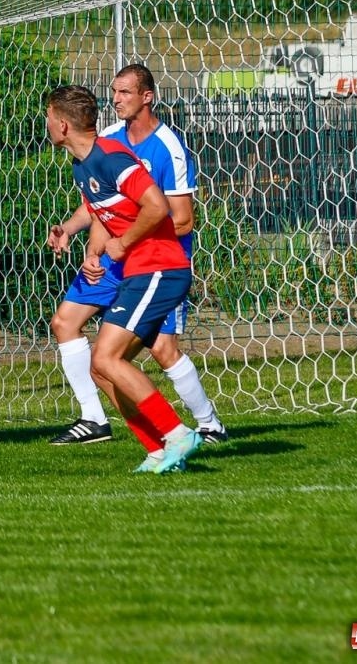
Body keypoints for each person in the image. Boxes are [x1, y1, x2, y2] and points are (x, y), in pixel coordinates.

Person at [45, 64, 227, 445]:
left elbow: (180, 219)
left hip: (157, 260)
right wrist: (81, 237)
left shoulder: (167, 149)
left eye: (125, 92)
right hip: (119, 258)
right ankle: (103, 422)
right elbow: (102, 203)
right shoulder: (104, 142)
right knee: (69, 325)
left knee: (159, 349)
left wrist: (123, 241)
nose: (116, 99)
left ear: (147, 97)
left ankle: (204, 425)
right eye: (114, 92)